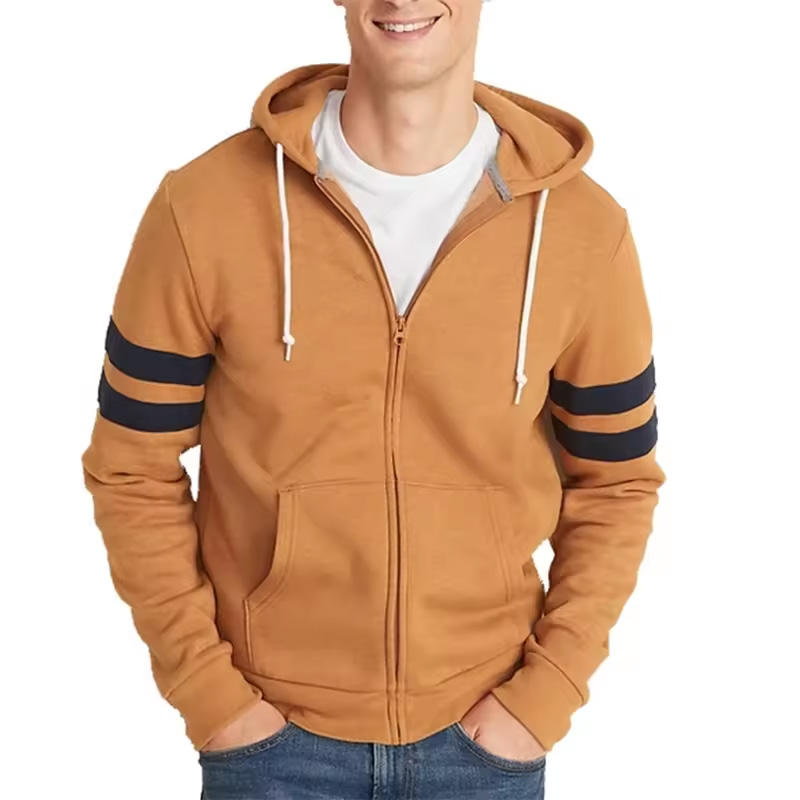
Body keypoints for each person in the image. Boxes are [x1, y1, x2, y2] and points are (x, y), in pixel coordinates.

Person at [80, 1, 666, 797]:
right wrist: (213, 699)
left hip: (485, 747)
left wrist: (543, 698)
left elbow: (618, 483)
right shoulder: (205, 207)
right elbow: (130, 465)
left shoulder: (582, 231)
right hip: (269, 749)